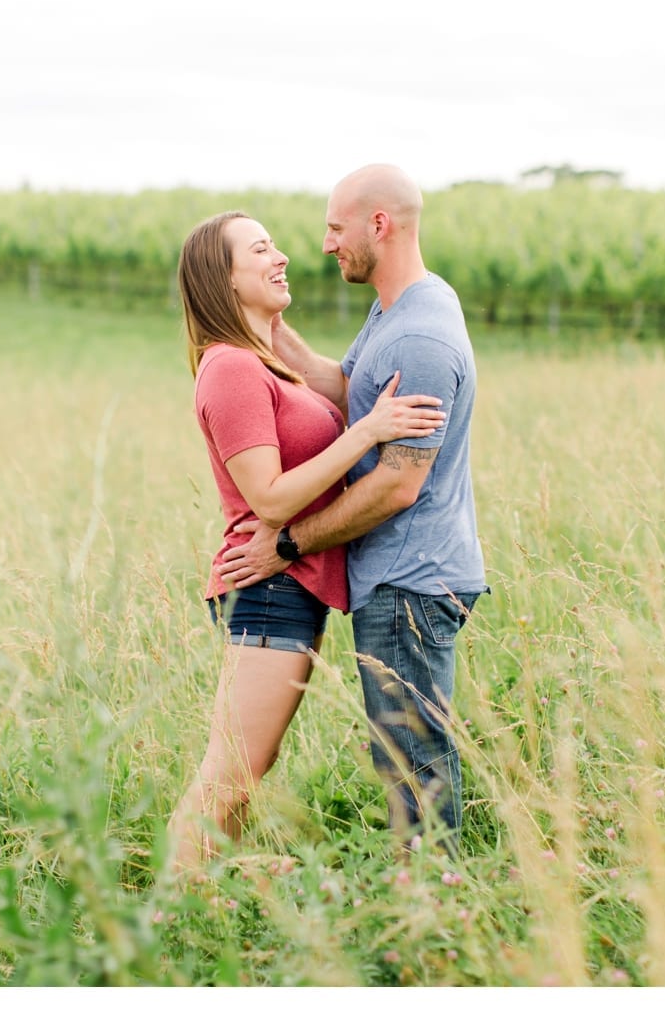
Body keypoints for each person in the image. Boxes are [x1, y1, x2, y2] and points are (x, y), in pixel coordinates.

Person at [165, 209, 447, 871]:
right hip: (269, 590)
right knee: (229, 776)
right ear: (223, 280)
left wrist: (276, 328)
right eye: (261, 251)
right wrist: (369, 431)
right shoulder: (231, 368)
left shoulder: (260, 361)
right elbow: (269, 496)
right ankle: (169, 915)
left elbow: (328, 394)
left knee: (242, 774)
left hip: (292, 590)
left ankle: (201, 896)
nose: (282, 256)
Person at [216, 164, 487, 848]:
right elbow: (346, 389)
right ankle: (425, 906)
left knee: (413, 770)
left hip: (407, 582)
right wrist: (261, 324)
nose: (326, 245)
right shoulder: (402, 309)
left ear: (379, 225)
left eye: (336, 229)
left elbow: (398, 484)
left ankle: (432, 917)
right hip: (399, 579)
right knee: (402, 763)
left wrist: (286, 543)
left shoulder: (418, 340)